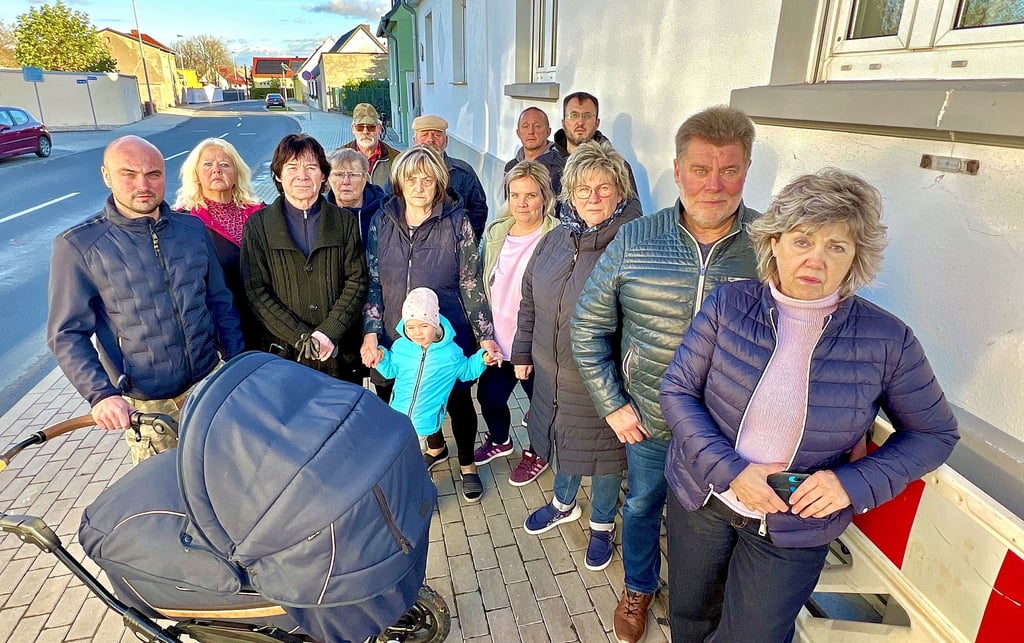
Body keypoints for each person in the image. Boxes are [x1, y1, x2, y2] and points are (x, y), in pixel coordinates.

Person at [660, 168, 959, 642]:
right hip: (704, 498)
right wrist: (732, 471)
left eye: (836, 246)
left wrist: (850, 484)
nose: (815, 260)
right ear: (774, 242)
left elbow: (935, 433)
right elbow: (677, 390)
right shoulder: (728, 305)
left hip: (794, 527)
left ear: (855, 258)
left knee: (755, 636)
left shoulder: (888, 340)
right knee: (691, 618)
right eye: (802, 240)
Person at [571, 106, 761, 643]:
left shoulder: (770, 246)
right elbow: (587, 328)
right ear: (677, 171)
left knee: (715, 522)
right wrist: (612, 402)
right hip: (650, 418)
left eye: (729, 170)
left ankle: (701, 601)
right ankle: (637, 585)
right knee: (642, 504)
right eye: (701, 169)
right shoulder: (636, 239)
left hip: (730, 429)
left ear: (746, 170)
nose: (714, 184)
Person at [47, 135, 243, 464]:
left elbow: (219, 301)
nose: (143, 184)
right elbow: (66, 333)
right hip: (146, 406)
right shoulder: (80, 246)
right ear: (107, 176)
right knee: (165, 497)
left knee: (225, 474)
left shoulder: (192, 230)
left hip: (208, 384)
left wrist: (236, 363)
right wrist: (101, 395)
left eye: (153, 174)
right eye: (129, 174)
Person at [511, 141, 641, 571]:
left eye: (604, 189)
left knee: (604, 454)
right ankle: (563, 502)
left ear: (620, 193)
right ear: (568, 193)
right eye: (583, 190)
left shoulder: (632, 245)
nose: (593, 198)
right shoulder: (554, 239)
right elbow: (529, 297)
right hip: (551, 371)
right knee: (562, 440)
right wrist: (523, 350)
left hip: (602, 378)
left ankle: (603, 524)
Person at [361, 145, 501, 503]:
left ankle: (467, 464)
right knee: (401, 395)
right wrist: (371, 334)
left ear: (438, 182)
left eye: (427, 179)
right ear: (400, 183)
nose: (419, 186)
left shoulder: (456, 221)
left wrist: (484, 336)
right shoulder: (382, 220)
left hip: (446, 331)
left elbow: (470, 280)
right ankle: (435, 447)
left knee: (457, 400)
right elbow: (374, 281)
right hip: (397, 332)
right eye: (412, 179)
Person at [240, 134, 368, 384]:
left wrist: (329, 332)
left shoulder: (344, 222)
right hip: (285, 354)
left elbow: (357, 280)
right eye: (292, 167)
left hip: (338, 354)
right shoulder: (259, 226)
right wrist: (301, 337)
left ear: (323, 175)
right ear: (278, 175)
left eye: (311, 167)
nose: (302, 175)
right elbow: (255, 291)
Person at [473, 161, 560, 476]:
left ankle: (539, 452)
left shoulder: (557, 235)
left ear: (544, 198)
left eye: (531, 195)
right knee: (489, 398)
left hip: (535, 345)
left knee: (539, 407)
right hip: (499, 340)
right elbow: (482, 278)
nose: (522, 203)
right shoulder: (498, 231)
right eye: (515, 194)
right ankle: (500, 440)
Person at [376, 287, 496, 455]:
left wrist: (482, 358)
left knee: (408, 456)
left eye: (423, 326)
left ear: (435, 322)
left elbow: (467, 370)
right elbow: (390, 371)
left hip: (426, 422)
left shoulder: (450, 353)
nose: (417, 333)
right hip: (398, 416)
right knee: (396, 453)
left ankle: (413, 479)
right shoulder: (401, 346)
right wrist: (381, 358)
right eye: (410, 327)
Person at [173, 137, 264, 348]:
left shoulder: (260, 212)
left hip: (264, 321)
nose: (216, 170)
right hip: (218, 330)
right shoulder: (184, 221)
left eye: (224, 164)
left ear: (236, 172)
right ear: (195, 173)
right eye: (207, 164)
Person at [408, 114, 489, 241]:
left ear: (446, 141)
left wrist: (467, 243)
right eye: (424, 135)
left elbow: (478, 210)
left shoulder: (464, 173)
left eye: (437, 135)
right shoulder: (402, 174)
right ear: (415, 140)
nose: (431, 139)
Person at [553, 91, 637, 194]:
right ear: (563, 122)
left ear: (597, 123)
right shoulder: (545, 164)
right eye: (573, 115)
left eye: (587, 115)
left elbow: (632, 208)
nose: (580, 122)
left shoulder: (617, 167)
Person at [325, 146, 386, 247]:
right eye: (339, 175)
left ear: (364, 178)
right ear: (329, 178)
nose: (346, 182)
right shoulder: (321, 213)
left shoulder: (384, 211)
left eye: (353, 175)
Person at [504, 107, 565, 195]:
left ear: (548, 132)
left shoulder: (558, 167)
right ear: (518, 133)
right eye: (525, 126)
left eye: (537, 126)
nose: (531, 132)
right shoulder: (511, 167)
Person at [342, 102, 399, 187]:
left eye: (371, 127)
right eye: (360, 127)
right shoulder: (338, 158)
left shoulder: (396, 159)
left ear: (379, 129)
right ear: (353, 129)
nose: (365, 132)